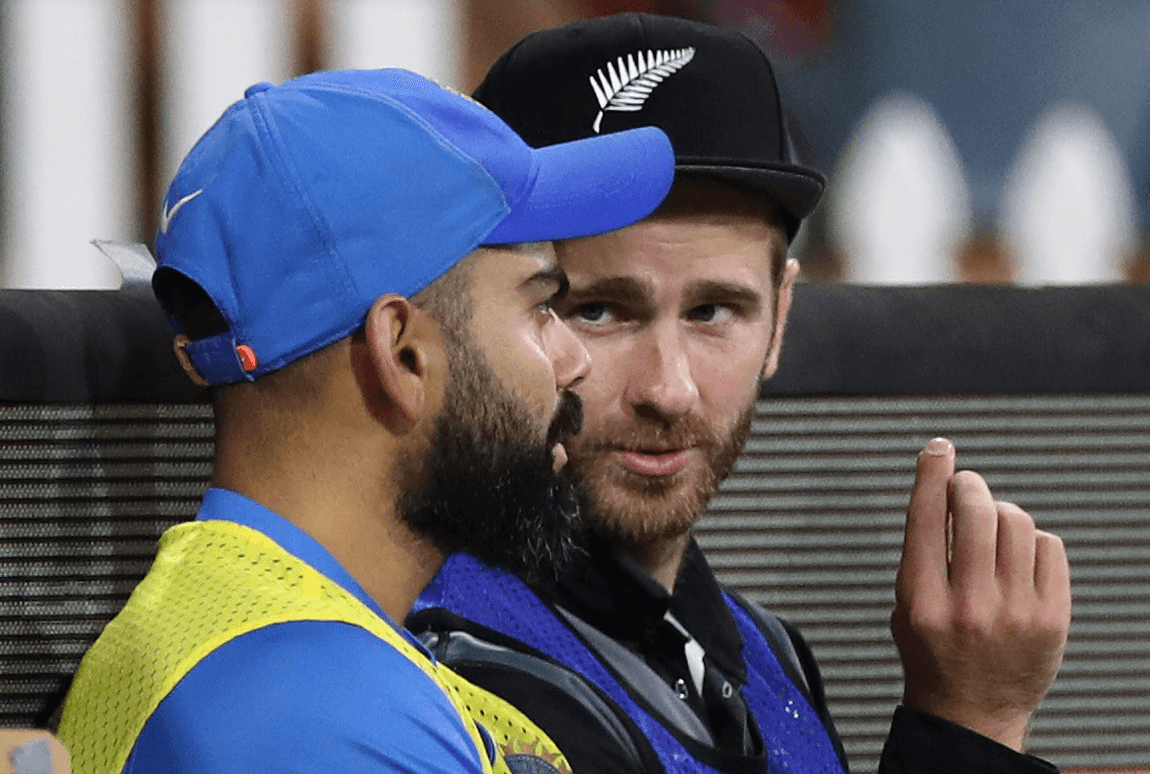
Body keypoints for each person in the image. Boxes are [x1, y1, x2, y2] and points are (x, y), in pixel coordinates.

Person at [410, 13, 1071, 774]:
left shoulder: (768, 659)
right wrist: (968, 729)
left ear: (780, 317)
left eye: (713, 311)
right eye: (599, 310)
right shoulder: (438, 670)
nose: (669, 389)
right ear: (481, 316)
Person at [56, 67, 675, 774]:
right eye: (541, 306)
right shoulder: (305, 713)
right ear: (403, 354)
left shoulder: (307, 653)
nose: (576, 360)